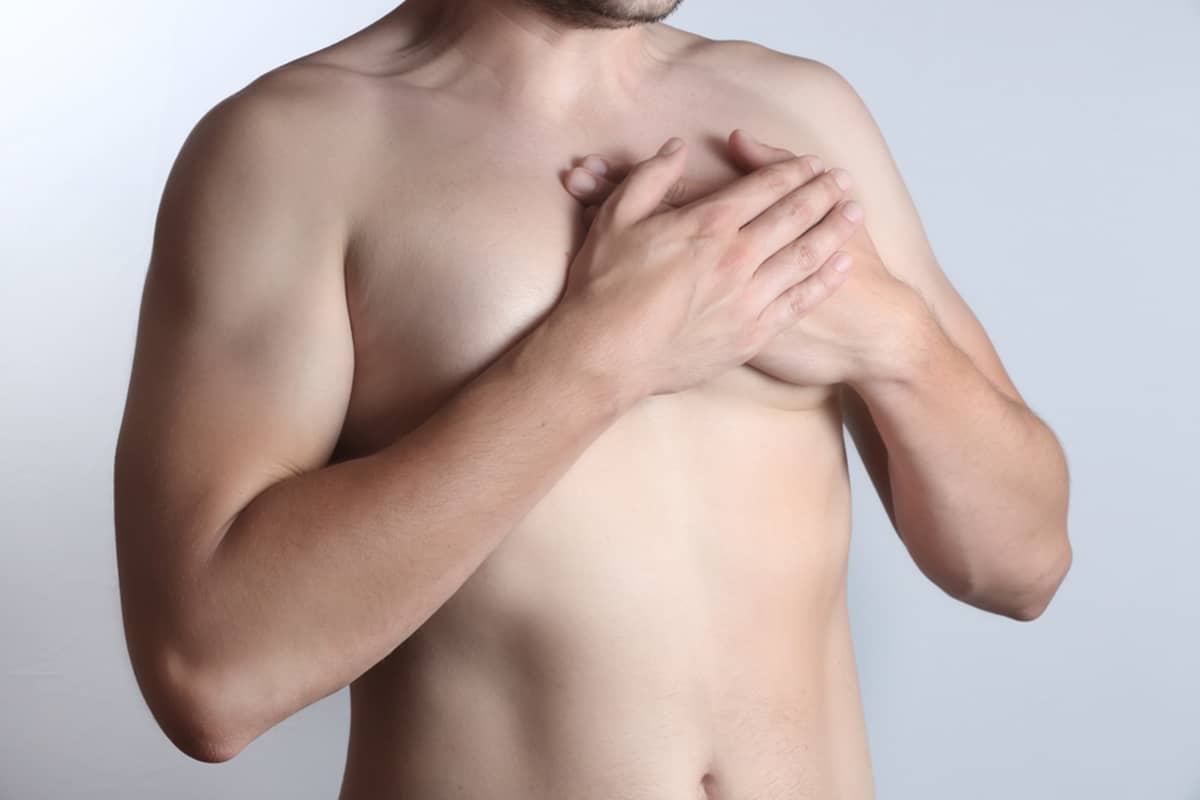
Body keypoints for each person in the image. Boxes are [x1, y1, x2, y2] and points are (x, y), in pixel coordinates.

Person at [112, 0, 1073, 796]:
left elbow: (1022, 566)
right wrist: (597, 359)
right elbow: (212, 674)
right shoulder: (295, 149)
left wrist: (894, 341)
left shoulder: (802, 111)